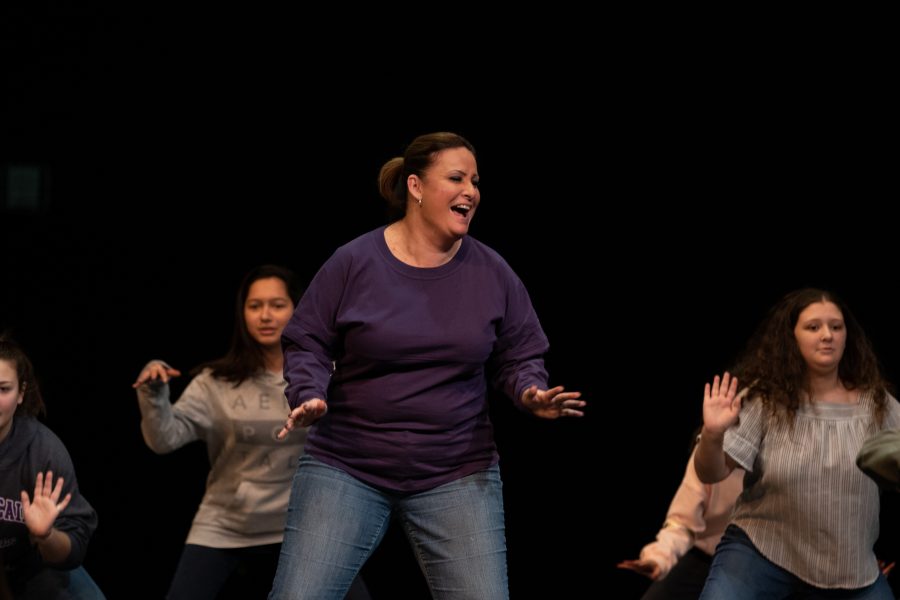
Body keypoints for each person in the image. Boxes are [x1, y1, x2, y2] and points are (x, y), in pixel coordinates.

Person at [268, 131, 586, 599]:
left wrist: (529, 391)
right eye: (455, 178)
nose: (470, 192)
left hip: (455, 471)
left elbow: (519, 353)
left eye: (475, 181)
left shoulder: (491, 271)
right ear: (415, 187)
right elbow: (307, 340)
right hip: (349, 464)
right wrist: (309, 391)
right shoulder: (354, 262)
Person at [133, 266, 369, 600]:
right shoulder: (215, 381)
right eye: (255, 306)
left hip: (305, 527)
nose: (265, 316)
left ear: (297, 309)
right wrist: (154, 395)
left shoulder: (322, 374)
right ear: (242, 313)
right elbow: (163, 440)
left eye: (277, 305)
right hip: (227, 525)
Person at [694, 288, 900, 599]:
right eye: (813, 327)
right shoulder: (765, 399)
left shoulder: (878, 404)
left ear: (848, 336)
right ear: (792, 337)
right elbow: (712, 472)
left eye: (836, 326)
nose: (827, 335)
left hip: (848, 569)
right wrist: (712, 434)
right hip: (762, 552)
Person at [0, 337, 104, 599]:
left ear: (21, 392)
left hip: (33, 562)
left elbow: (73, 548)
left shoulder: (44, 450)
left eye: (3, 389)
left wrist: (46, 535)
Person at [618, 443, 744, 600]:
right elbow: (683, 521)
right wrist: (659, 557)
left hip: (750, 566)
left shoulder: (778, 455)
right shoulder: (711, 448)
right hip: (704, 557)